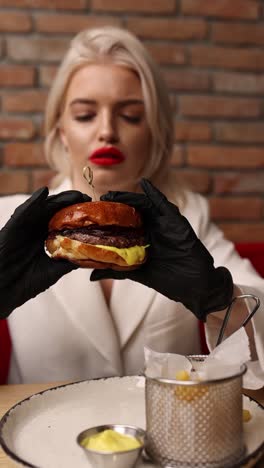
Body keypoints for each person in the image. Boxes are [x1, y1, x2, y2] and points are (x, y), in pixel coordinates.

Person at [0, 26, 263, 385]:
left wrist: (220, 297)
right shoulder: (8, 221)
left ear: (153, 130)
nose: (107, 130)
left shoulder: (188, 217)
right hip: (30, 434)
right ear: (61, 130)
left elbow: (256, 327)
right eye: (84, 115)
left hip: (159, 433)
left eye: (131, 116)